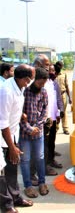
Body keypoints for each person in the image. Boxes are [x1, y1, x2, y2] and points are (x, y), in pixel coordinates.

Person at [0, 64, 33, 213]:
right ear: (24, 79)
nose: (30, 82)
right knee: (0, 170)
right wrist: (11, 147)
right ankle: (6, 205)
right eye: (29, 79)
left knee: (13, 166)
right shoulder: (6, 91)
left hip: (12, 132)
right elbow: (2, 123)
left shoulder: (20, 86)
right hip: (2, 133)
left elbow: (14, 108)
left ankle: (15, 197)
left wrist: (21, 115)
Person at [19, 67, 49, 198]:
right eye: (40, 83)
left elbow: (44, 112)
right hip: (24, 133)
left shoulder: (44, 92)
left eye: (43, 84)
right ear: (33, 80)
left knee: (40, 158)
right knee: (25, 160)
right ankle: (28, 186)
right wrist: (29, 129)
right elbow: (18, 114)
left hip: (39, 132)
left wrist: (37, 127)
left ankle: (42, 183)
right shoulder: (23, 92)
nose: (41, 86)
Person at [55, 62, 72, 135]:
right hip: (54, 96)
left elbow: (67, 86)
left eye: (61, 66)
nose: (60, 67)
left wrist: (69, 97)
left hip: (63, 95)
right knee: (55, 112)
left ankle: (65, 128)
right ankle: (56, 128)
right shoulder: (52, 75)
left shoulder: (64, 75)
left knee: (63, 112)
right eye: (59, 66)